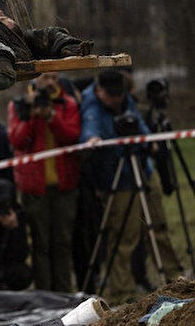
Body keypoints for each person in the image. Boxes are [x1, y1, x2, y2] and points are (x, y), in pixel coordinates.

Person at [79, 70, 182, 304]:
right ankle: (123, 291)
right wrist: (91, 140)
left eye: (120, 95)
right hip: (116, 175)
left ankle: (176, 280)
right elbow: (89, 126)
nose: (117, 100)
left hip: (142, 168)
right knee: (124, 235)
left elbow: (137, 121)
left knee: (159, 226)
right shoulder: (92, 106)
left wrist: (148, 141)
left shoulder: (125, 100)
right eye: (112, 95)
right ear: (99, 90)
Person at [7, 71, 81, 292]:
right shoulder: (19, 105)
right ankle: (45, 295)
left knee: (63, 243)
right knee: (40, 245)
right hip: (34, 187)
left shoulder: (66, 104)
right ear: (34, 79)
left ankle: (65, 294)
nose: (49, 83)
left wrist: (51, 117)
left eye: (53, 78)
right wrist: (32, 116)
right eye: (44, 78)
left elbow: (72, 135)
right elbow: (17, 140)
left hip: (64, 185)